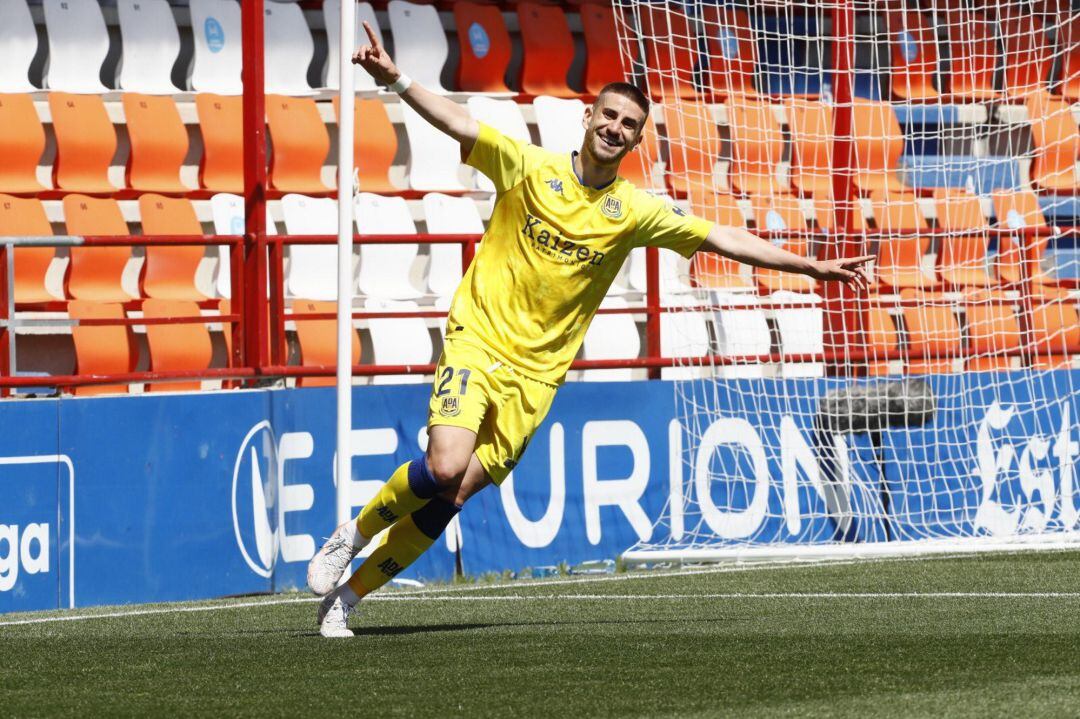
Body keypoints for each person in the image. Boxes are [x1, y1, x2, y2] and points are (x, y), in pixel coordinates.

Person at [308, 21, 872, 638]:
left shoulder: (633, 211)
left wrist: (811, 265)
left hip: (538, 377)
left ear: (635, 140)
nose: (615, 128)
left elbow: (719, 236)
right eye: (608, 116)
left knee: (452, 496)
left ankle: (347, 599)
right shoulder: (528, 166)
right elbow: (460, 124)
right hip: (479, 341)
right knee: (443, 467)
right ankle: (352, 535)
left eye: (628, 125)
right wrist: (398, 81)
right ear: (587, 117)